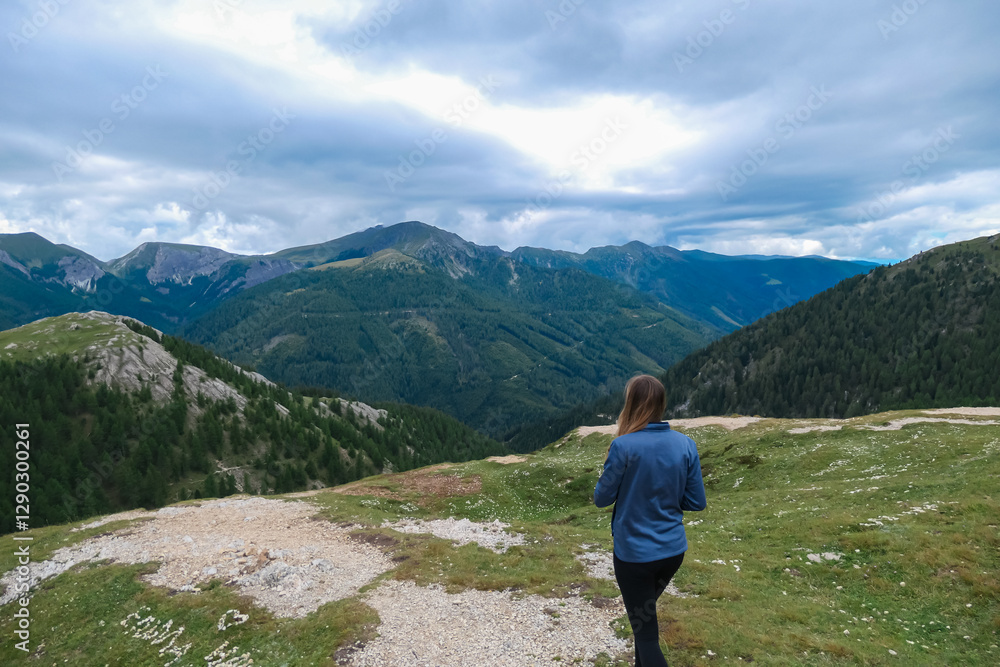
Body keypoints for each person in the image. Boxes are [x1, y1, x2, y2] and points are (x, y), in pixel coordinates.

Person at [593, 374, 707, 667]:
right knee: (642, 622)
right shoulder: (686, 445)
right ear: (660, 404)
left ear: (631, 403)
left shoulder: (623, 446)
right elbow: (697, 502)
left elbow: (601, 499)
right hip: (672, 552)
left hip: (634, 556)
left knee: (645, 634)